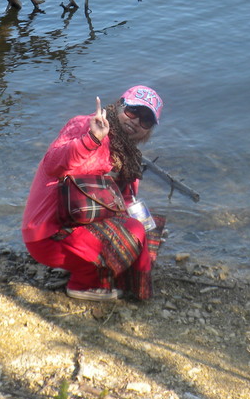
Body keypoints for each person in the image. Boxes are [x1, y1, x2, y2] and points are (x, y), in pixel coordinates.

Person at [22, 85, 165, 302]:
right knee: (135, 230)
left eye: (145, 120)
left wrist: (143, 239)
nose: (136, 121)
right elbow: (52, 164)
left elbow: (127, 201)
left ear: (149, 130)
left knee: (148, 224)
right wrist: (92, 139)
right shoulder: (86, 126)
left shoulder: (127, 155)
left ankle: (104, 268)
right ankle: (85, 283)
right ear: (119, 106)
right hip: (47, 235)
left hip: (74, 223)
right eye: (132, 111)